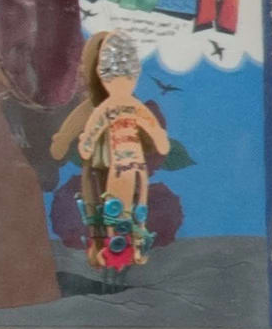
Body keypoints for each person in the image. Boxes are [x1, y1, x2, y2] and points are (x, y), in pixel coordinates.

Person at [43, 38, 180, 278]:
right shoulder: (105, 107)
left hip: (120, 167)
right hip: (116, 167)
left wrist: (66, 143)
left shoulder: (106, 108)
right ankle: (110, 244)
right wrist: (64, 142)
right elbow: (78, 129)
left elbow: (84, 132)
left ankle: (125, 243)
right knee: (110, 205)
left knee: (122, 206)